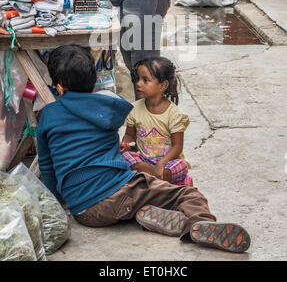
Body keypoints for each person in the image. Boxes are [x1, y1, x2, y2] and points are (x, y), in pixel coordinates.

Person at [37, 44, 251, 254]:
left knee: (134, 198)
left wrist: (61, 203)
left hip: (84, 212)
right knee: (188, 195)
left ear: (59, 86)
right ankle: (197, 224)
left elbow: (47, 167)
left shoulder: (48, 115)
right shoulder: (107, 109)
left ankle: (143, 214)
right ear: (94, 81)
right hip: (120, 191)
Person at [120, 56, 193, 187]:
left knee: (181, 165)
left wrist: (161, 163)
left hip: (167, 162)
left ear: (163, 86)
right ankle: (157, 179)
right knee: (125, 157)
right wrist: (124, 143)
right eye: (138, 78)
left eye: (145, 80)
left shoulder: (173, 113)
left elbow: (177, 147)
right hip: (144, 161)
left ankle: (149, 179)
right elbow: (130, 135)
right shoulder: (134, 109)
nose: (138, 83)